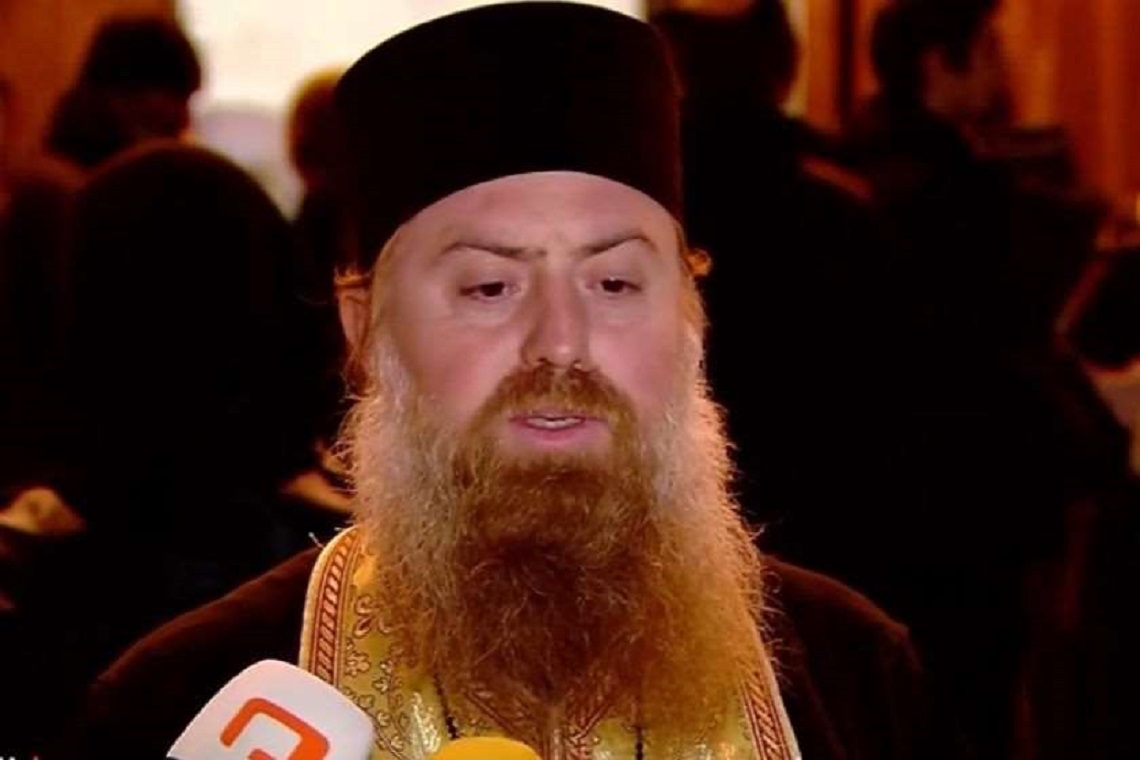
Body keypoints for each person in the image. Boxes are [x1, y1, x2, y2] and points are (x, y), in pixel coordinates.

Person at [60, 5, 955, 758]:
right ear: (365, 329)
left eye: (615, 284)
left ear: (691, 317)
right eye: (489, 288)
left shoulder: (854, 676)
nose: (561, 343)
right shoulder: (179, 699)